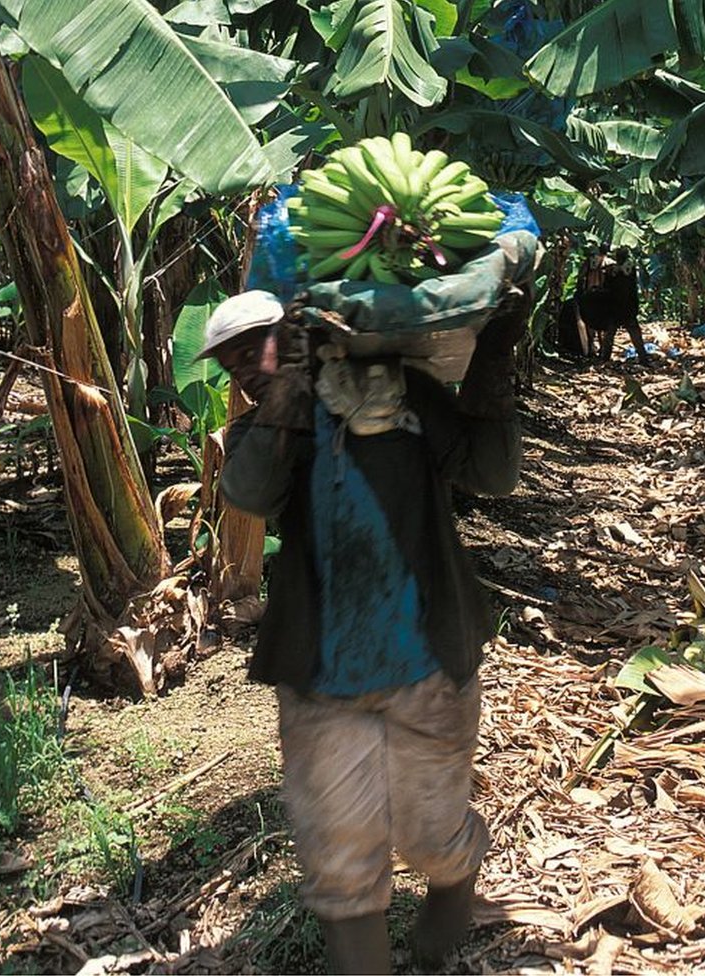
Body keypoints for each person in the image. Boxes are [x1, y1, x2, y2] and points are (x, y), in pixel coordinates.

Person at [198, 275, 532, 974]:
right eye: (234, 364)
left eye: (256, 349)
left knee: (433, 835)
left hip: (427, 664)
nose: (246, 370)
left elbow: (491, 473)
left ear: (296, 336)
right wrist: (287, 398)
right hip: (321, 677)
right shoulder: (258, 432)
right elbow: (253, 495)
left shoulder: (400, 394)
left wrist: (496, 361)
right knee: (340, 857)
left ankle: (441, 931)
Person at [575, 243, 650, 366]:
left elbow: (610, 287)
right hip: (622, 307)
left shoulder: (614, 270)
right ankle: (642, 358)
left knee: (613, 333)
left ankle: (606, 359)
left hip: (618, 307)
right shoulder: (621, 269)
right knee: (628, 333)